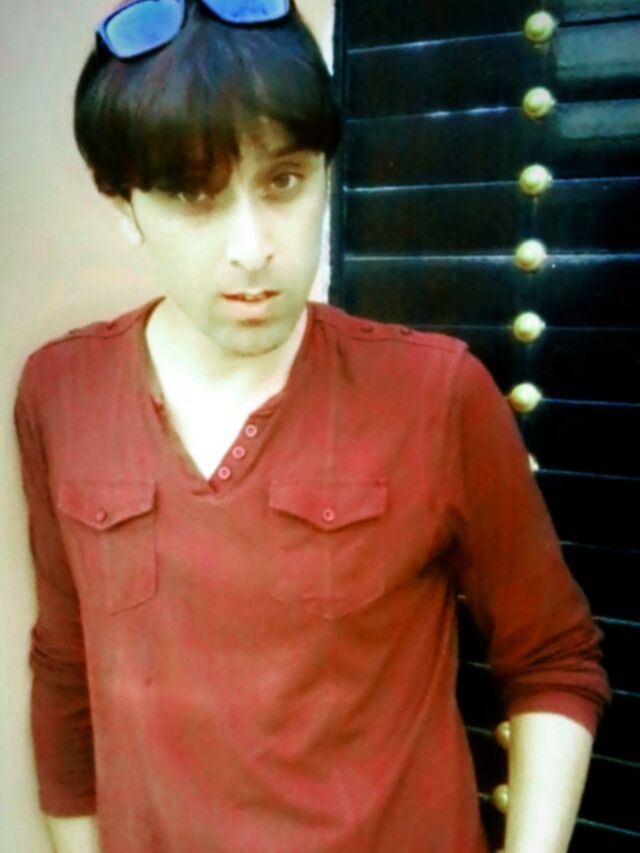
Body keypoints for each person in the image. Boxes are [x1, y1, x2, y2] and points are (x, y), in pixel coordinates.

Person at [13, 1, 610, 851]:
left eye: (284, 181)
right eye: (194, 194)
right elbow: (66, 668)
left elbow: (554, 656)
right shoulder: (59, 393)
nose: (251, 246)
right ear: (124, 202)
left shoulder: (435, 393)